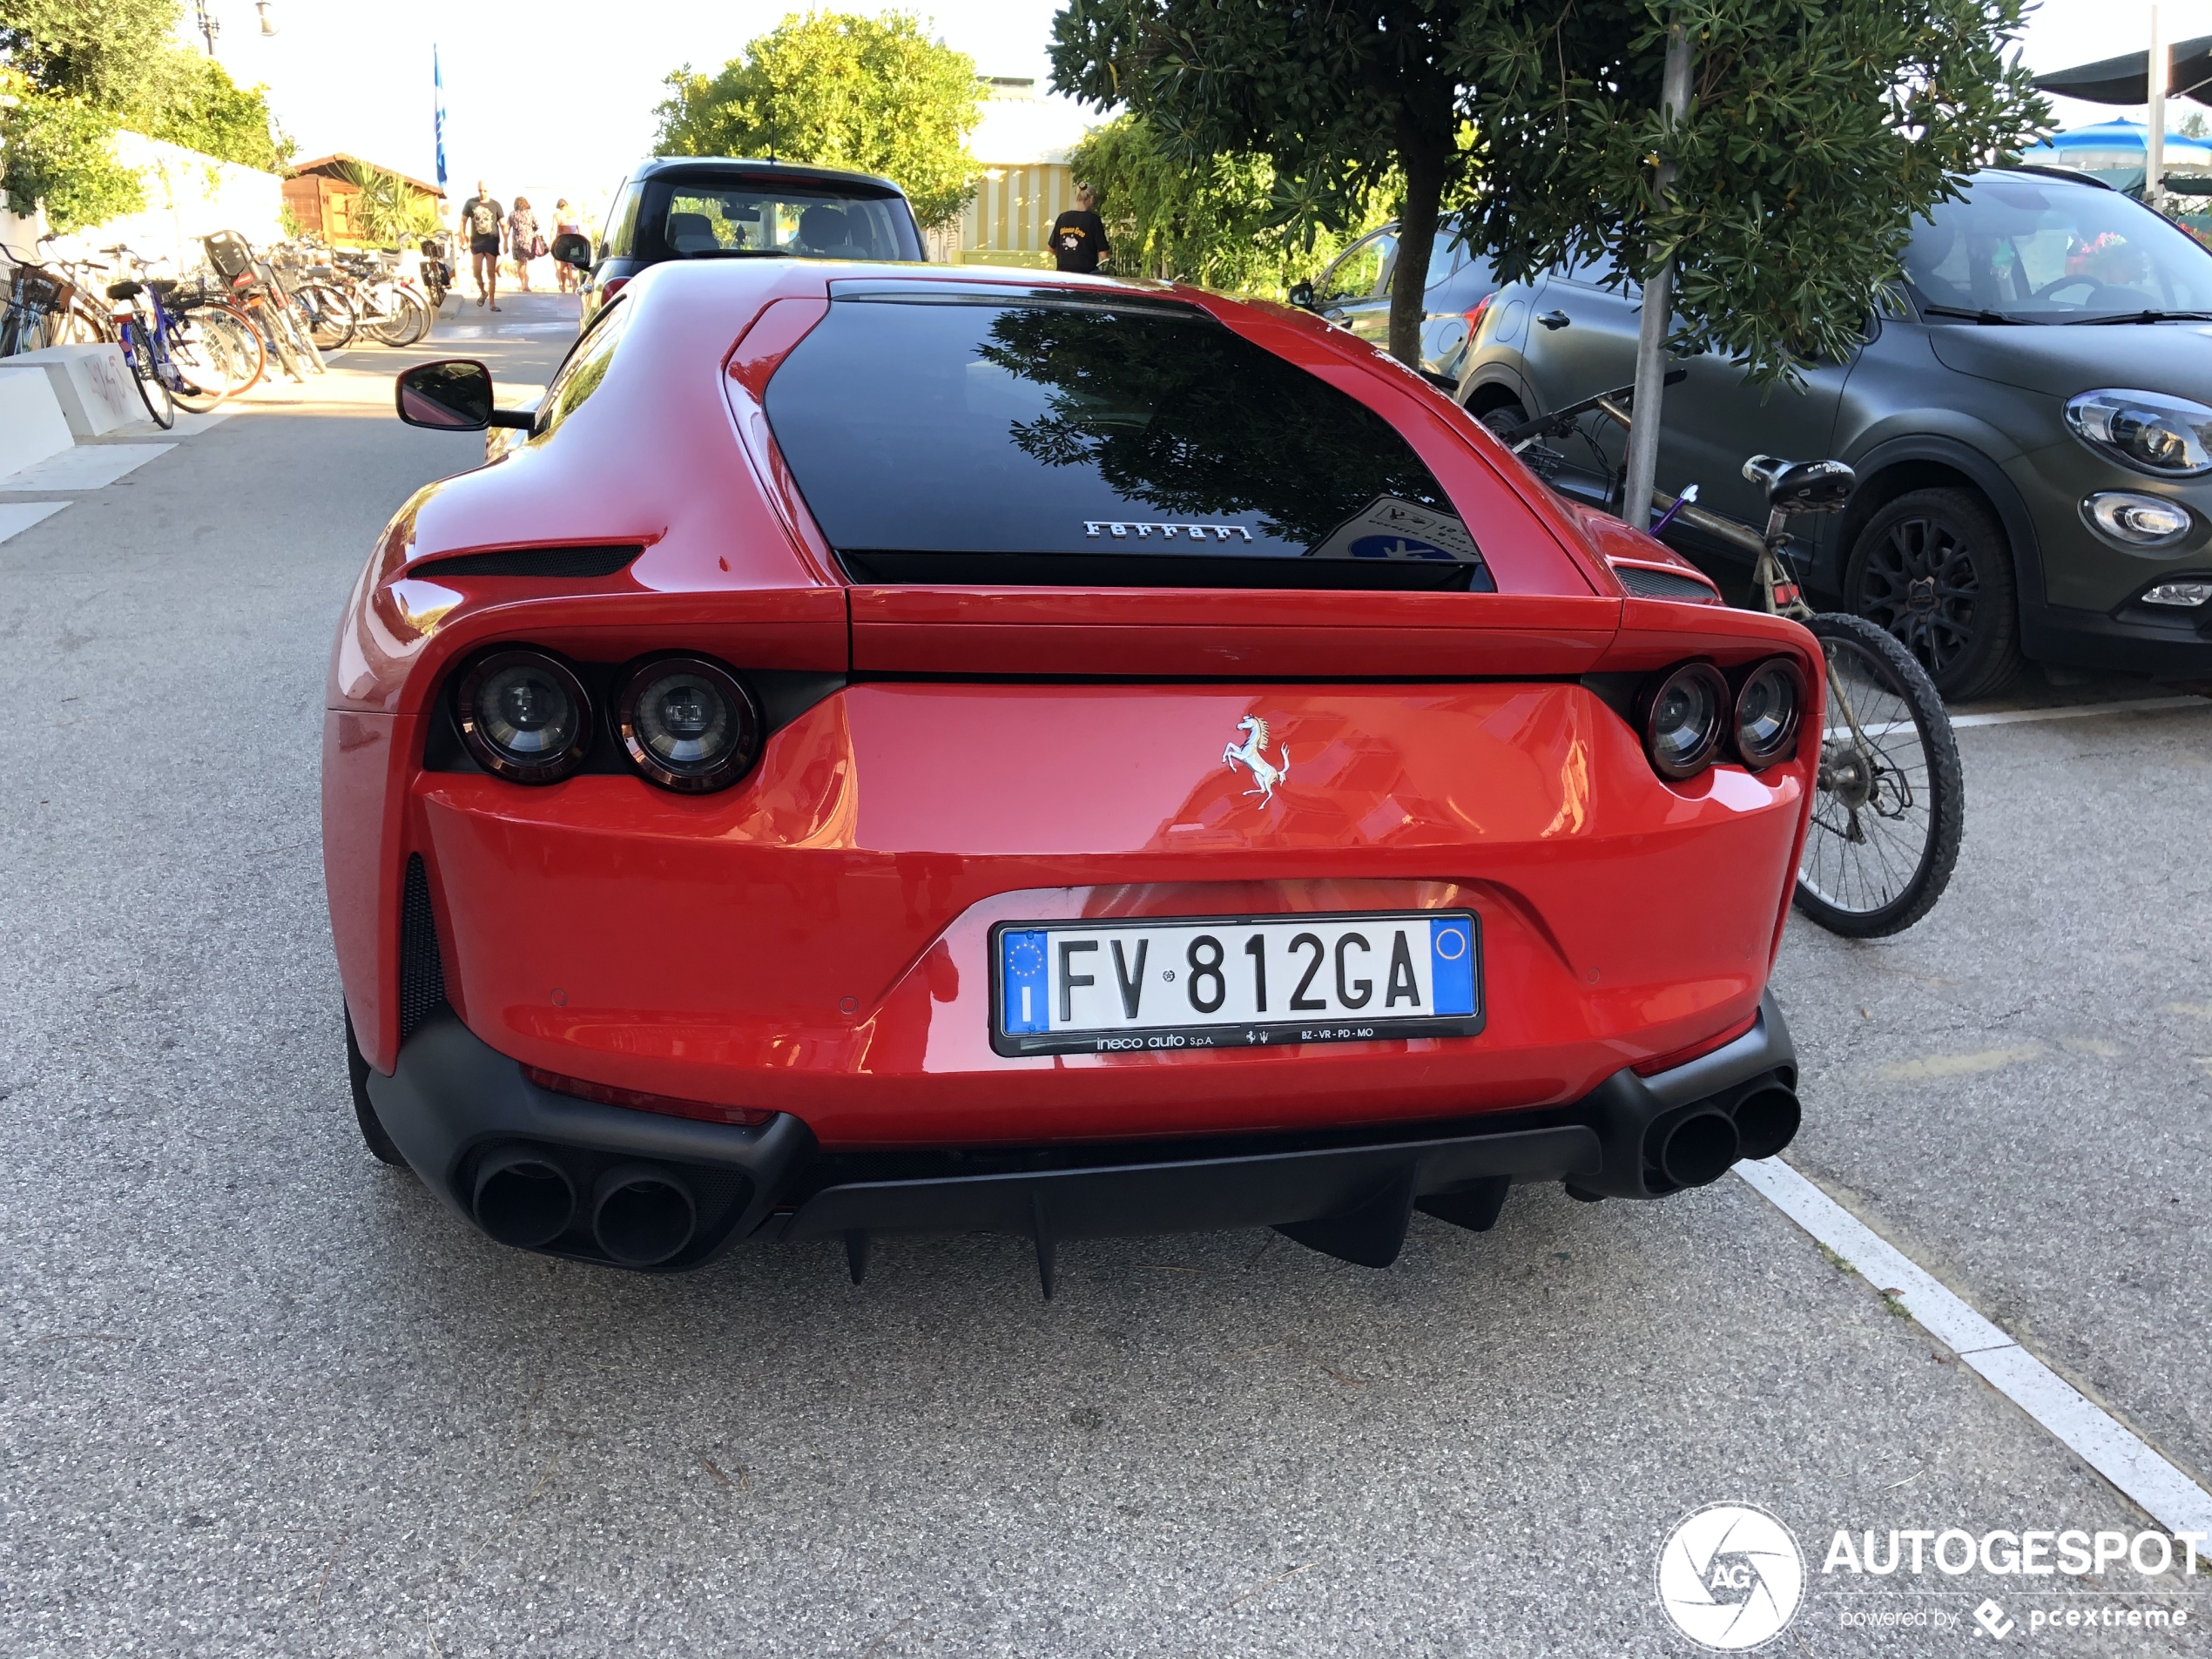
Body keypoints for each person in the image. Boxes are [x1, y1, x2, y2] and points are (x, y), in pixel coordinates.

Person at [458, 179, 504, 310]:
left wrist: (506, 239)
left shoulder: (496, 205)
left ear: (489, 190)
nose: (482, 193)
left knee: (491, 273)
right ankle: (483, 291)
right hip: (477, 242)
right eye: (480, 190)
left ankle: (492, 303)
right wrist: (462, 235)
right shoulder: (470, 203)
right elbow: (463, 221)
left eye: (485, 190)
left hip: (492, 242)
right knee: (476, 270)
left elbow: (503, 223)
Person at [1049, 184, 1109, 274]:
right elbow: (1104, 254)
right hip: (1085, 276)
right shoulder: (1093, 220)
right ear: (1091, 199)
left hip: (1063, 275)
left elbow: (1051, 248)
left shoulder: (1062, 218)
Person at [509, 196, 540, 293]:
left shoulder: (512, 214)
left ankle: (522, 283)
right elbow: (537, 225)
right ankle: (525, 285)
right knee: (526, 263)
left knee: (520, 262)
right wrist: (531, 230)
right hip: (528, 241)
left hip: (517, 242)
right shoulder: (529, 213)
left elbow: (507, 227)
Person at [552, 198, 583, 294]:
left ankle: (563, 285)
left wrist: (552, 244)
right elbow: (580, 229)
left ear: (558, 206)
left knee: (563, 265)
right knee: (573, 265)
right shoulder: (574, 215)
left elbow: (553, 230)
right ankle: (574, 286)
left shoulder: (557, 215)